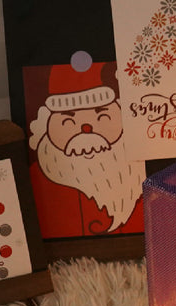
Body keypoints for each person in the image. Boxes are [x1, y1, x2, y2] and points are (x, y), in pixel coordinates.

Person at [26, 58, 144, 236]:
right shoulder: (36, 182)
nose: (86, 129)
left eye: (102, 117)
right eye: (68, 121)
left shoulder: (147, 177)